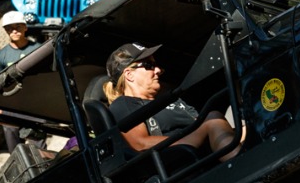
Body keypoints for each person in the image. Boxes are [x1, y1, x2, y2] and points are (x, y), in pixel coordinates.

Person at [103, 42, 241, 164]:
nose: (157, 70)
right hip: (176, 160)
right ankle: (241, 166)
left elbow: (200, 123)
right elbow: (140, 144)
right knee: (213, 118)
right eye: (149, 65)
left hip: (204, 149)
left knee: (243, 120)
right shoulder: (123, 104)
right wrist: (190, 139)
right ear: (129, 75)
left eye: (156, 65)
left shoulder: (171, 100)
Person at [0, 10, 40, 150]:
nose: (14, 31)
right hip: (11, 108)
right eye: (10, 28)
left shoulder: (37, 50)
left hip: (36, 106)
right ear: (6, 30)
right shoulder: (1, 56)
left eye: (18, 26)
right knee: (16, 152)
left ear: (25, 27)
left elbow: (46, 78)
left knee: (40, 149)